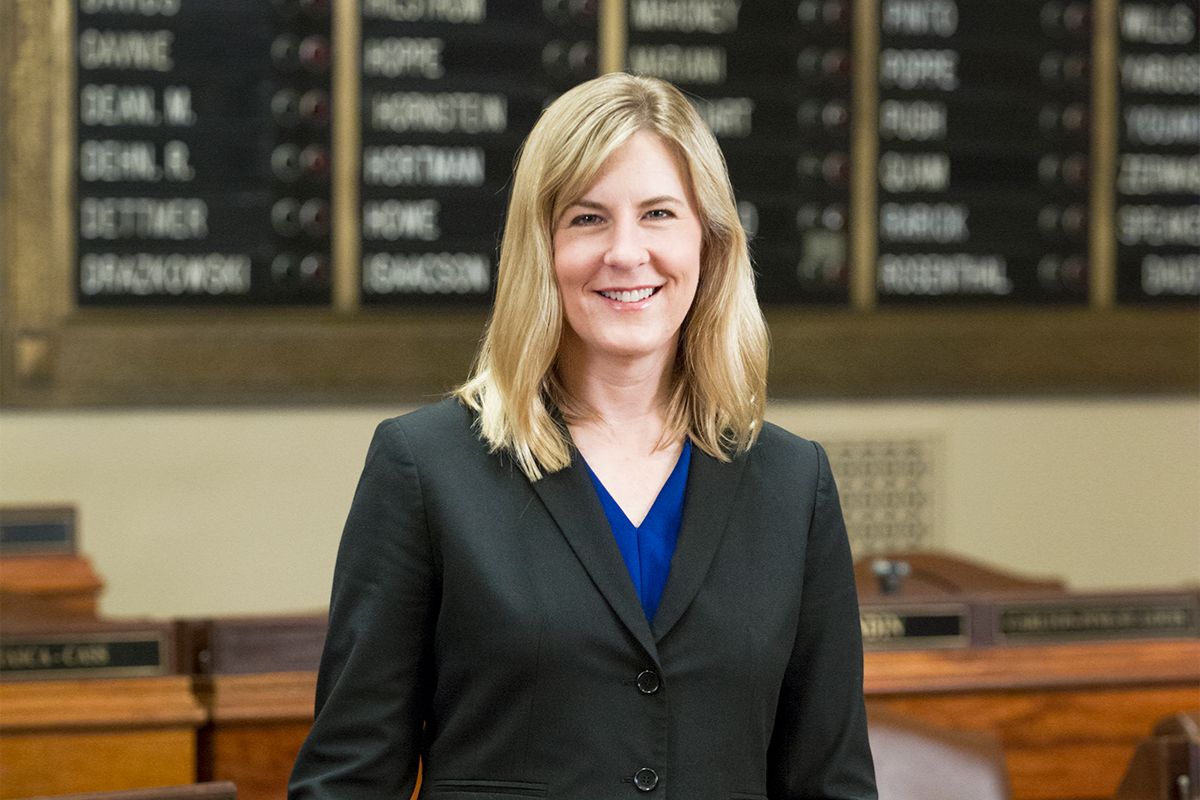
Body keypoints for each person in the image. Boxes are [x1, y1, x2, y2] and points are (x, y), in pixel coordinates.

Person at [289, 73, 876, 799]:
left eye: (659, 214)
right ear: (540, 248)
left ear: (710, 241)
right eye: (588, 218)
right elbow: (347, 781)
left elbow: (831, 783)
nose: (626, 253)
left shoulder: (793, 483)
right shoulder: (425, 468)